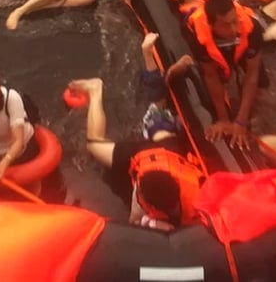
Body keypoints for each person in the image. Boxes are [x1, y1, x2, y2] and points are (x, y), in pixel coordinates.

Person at [68, 59, 205, 230]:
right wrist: (152, 222)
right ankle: (95, 90)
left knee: (159, 121)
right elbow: (134, 221)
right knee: (93, 143)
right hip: (143, 154)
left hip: (168, 148)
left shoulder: (195, 198)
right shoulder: (143, 194)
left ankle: (153, 76)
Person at [188, 0, 268, 144]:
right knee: (215, 82)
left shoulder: (252, 28)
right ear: (212, 25)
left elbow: (252, 74)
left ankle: (252, 112)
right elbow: (211, 76)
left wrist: (241, 121)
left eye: (235, 21)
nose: (234, 29)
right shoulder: (198, 38)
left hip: (244, 45)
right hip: (216, 49)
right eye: (226, 25)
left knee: (261, 83)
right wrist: (223, 119)